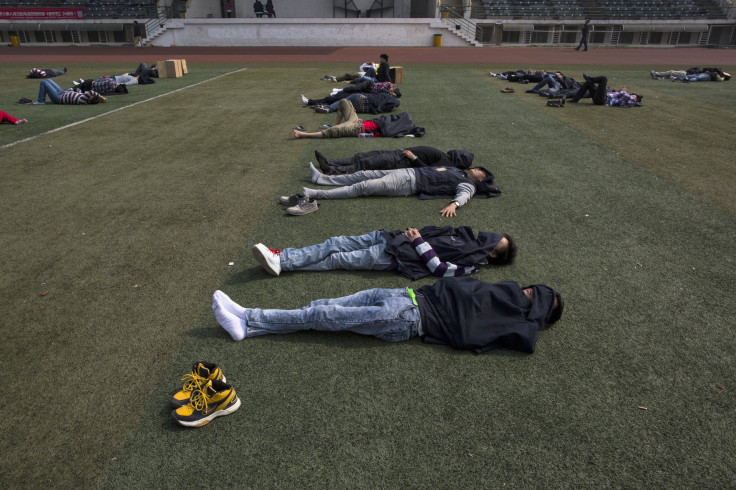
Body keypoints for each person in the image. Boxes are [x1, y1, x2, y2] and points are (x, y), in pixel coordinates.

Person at [212, 277, 564, 354]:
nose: (529, 291)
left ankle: (249, 316)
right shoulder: (508, 295)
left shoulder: (517, 316)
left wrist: (532, 317)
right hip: (406, 294)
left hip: (408, 318)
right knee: (324, 303)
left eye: (537, 297)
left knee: (325, 314)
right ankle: (251, 328)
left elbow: (526, 340)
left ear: (539, 310)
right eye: (535, 289)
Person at [252, 226, 516, 279]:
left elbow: (441, 269)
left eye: (496, 243)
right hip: (390, 238)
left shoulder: (473, 263)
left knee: (335, 258)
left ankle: (283, 261)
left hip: (395, 257)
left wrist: (419, 241)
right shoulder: (467, 237)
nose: (490, 237)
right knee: (335, 241)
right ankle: (283, 258)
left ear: (493, 255)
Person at [290, 160, 500, 217]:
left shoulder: (469, 184)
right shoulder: (460, 171)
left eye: (482, 171)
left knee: (362, 186)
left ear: (480, 180)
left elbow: (464, 195)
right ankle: (322, 179)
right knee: (361, 174)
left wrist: (454, 204)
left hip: (407, 184)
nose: (478, 168)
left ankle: (316, 194)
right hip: (405, 172)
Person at [293, 99, 423, 139]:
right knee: (344, 102)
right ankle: (335, 124)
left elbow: (390, 133)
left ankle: (303, 135)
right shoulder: (390, 122)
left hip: (357, 128)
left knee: (333, 133)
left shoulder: (394, 129)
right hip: (358, 121)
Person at [314, 147, 473, 174]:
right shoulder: (445, 158)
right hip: (397, 153)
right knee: (361, 157)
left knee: (366, 164)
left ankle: (331, 171)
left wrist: (413, 157)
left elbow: (428, 172)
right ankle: (330, 162)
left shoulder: (446, 164)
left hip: (400, 161)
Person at [36, 79, 107, 105]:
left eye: (90, 97)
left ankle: (41, 101)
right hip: (63, 93)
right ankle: (40, 100)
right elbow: (92, 94)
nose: (89, 95)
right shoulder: (85, 97)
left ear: (88, 100)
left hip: (58, 98)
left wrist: (101, 97)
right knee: (48, 80)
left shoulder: (82, 100)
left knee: (43, 82)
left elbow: (91, 92)